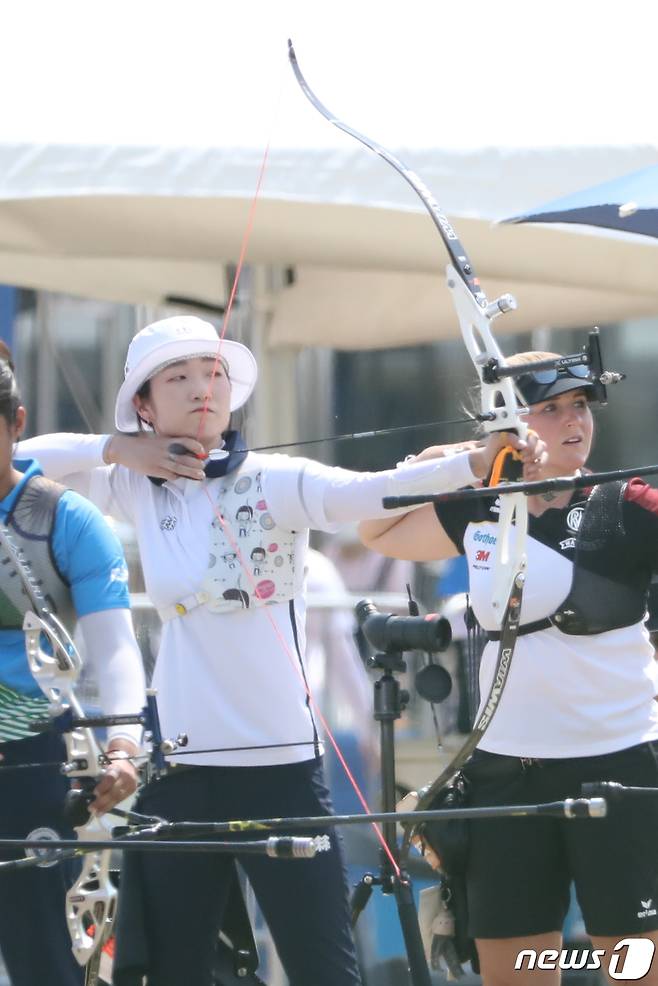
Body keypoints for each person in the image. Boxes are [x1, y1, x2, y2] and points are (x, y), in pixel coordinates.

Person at [17, 314, 491, 986]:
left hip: (286, 769)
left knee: (325, 970)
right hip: (182, 773)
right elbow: (23, 458)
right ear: (144, 407)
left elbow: (364, 492)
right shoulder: (129, 487)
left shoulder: (276, 478)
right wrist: (120, 450)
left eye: (211, 372)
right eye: (176, 378)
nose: (200, 388)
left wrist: (474, 462)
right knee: (175, 972)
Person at [359, 352, 658, 986]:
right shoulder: (479, 506)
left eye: (579, 405)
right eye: (550, 409)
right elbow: (376, 529)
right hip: (506, 772)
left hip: (620, 766)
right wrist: (456, 462)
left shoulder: (628, 504)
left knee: (635, 968)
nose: (573, 420)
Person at [0, 357, 146, 986]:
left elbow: (115, 646)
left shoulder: (67, 519)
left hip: (31, 761)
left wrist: (123, 745)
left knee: (47, 967)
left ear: (17, 425)